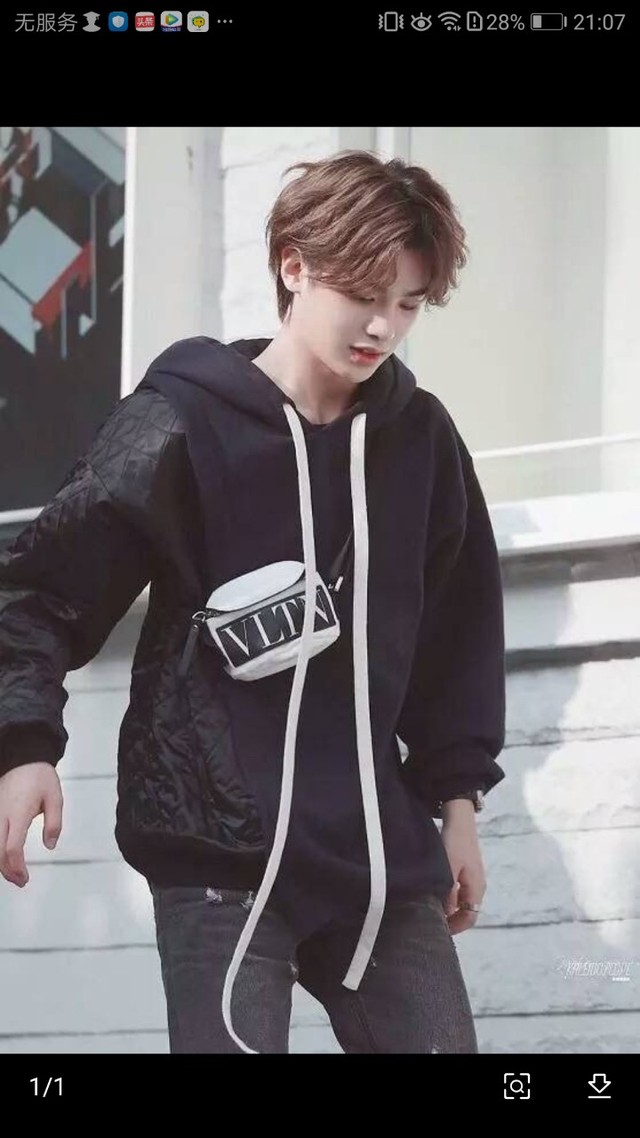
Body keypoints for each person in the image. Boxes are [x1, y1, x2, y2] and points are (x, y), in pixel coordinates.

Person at [0, 149, 506, 1054]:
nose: (383, 327)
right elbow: (43, 590)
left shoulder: (421, 441)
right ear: (294, 265)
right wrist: (25, 744)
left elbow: (457, 638)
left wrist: (457, 807)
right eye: (364, 294)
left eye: (408, 303)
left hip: (378, 859)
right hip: (219, 854)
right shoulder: (180, 420)